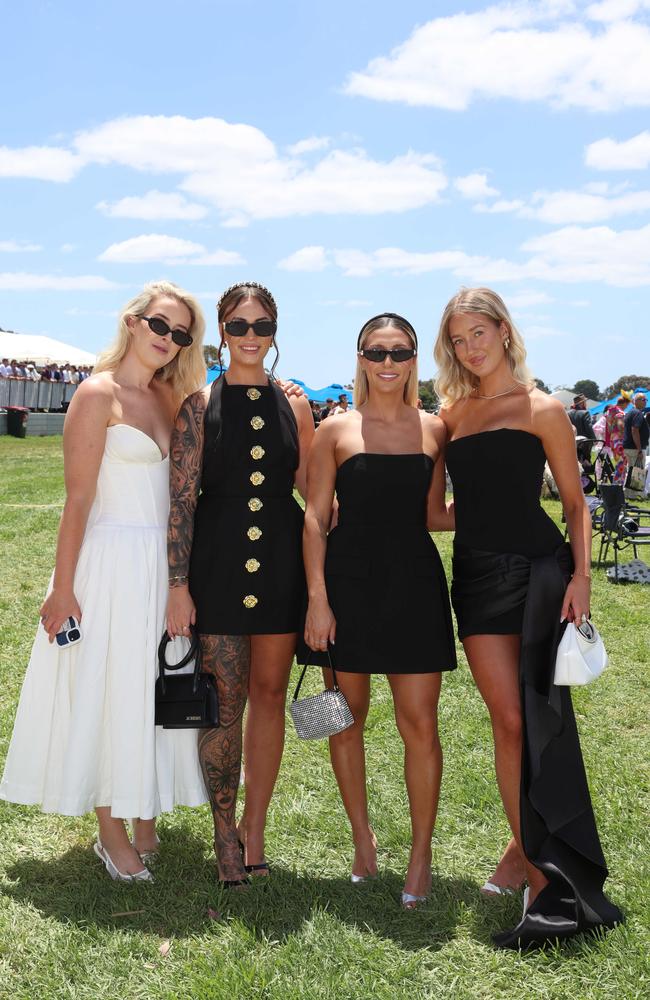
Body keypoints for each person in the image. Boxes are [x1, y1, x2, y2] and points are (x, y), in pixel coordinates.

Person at [0, 280, 208, 881]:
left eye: (181, 334)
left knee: (149, 687)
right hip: (109, 561)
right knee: (106, 688)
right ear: (134, 321)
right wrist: (64, 590)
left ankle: (144, 813)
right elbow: (78, 499)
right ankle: (110, 829)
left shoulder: (174, 399)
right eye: (160, 325)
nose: (168, 340)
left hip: (162, 566)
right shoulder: (97, 394)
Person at [435, 286, 622, 948]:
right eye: (458, 338)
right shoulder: (450, 414)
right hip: (479, 578)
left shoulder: (543, 407)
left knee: (540, 719)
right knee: (506, 719)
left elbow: (576, 504)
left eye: (478, 332)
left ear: (505, 332)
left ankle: (538, 872)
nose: (469, 346)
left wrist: (581, 579)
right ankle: (525, 850)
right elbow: (438, 513)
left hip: (542, 574)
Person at [301, 312, 456, 908]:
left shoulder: (435, 430)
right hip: (347, 586)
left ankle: (421, 856)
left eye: (399, 352)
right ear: (360, 358)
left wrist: (507, 509)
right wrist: (318, 600)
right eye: (376, 352)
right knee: (346, 718)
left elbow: (436, 515)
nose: (388, 363)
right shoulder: (334, 429)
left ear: (415, 359)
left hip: (415, 585)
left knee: (419, 725)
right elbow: (315, 518)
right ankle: (362, 842)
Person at [165, 281, 314, 889]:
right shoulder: (198, 406)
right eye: (238, 324)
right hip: (219, 565)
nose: (250, 336)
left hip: (281, 562)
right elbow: (180, 502)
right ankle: (224, 831)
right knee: (225, 704)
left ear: (274, 332)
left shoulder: (296, 404)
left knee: (271, 695)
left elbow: (312, 491)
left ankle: (255, 828)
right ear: (221, 332)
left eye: (262, 325)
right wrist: (179, 584)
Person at [605, 395, 628, 485]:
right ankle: (618, 485)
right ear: (625, 403)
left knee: (618, 463)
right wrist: (624, 432)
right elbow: (620, 424)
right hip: (620, 440)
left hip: (612, 440)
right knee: (622, 464)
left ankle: (616, 484)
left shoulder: (609, 411)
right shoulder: (619, 411)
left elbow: (609, 429)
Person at [623, 392, 649, 471]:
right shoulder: (638, 413)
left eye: (646, 400)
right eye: (643, 399)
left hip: (629, 448)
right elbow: (634, 430)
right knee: (637, 477)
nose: (645, 401)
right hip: (635, 450)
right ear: (636, 401)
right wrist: (639, 450)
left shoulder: (630, 412)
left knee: (631, 473)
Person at [567, 394, 595, 461]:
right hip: (584, 443)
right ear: (582, 403)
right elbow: (589, 428)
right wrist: (594, 439)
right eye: (585, 402)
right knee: (586, 461)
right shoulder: (585, 413)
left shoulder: (567, 413)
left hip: (572, 442)